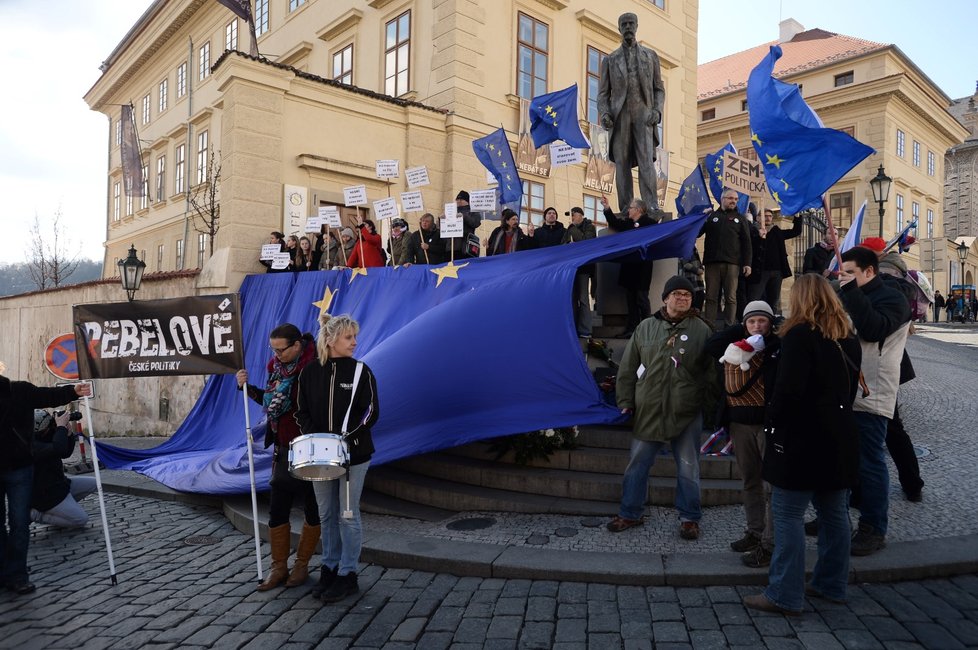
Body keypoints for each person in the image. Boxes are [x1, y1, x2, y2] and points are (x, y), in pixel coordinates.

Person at [743, 274, 861, 615]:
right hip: (839, 436)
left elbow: (788, 392)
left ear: (801, 299)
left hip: (802, 440)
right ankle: (831, 583)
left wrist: (772, 428)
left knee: (789, 514)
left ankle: (784, 593)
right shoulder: (847, 336)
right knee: (834, 514)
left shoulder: (799, 335)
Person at [607, 276, 713, 541]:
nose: (682, 298)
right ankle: (630, 512)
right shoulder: (645, 328)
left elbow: (712, 373)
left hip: (686, 410)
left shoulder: (702, 330)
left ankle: (690, 518)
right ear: (665, 298)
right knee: (637, 464)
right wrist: (625, 401)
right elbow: (629, 367)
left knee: (689, 468)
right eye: (676, 294)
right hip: (650, 408)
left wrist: (710, 409)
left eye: (687, 295)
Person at [296, 313, 379, 603]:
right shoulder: (309, 372)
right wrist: (316, 439)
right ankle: (329, 568)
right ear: (330, 340)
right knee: (327, 514)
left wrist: (347, 439)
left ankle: (348, 574)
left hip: (354, 457)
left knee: (347, 514)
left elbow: (370, 412)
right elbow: (301, 411)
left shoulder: (361, 372)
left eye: (355, 336)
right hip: (319, 457)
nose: (355, 342)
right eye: (348, 337)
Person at [838, 246, 911, 556]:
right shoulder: (851, 293)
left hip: (872, 391)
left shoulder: (894, 298)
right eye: (843, 273)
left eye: (850, 272)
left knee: (870, 462)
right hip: (842, 389)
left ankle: (873, 527)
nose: (845, 279)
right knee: (840, 459)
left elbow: (872, 329)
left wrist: (850, 294)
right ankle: (836, 515)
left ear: (869, 272)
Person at [236, 324, 320, 592]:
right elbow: (270, 402)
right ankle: (279, 567)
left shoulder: (314, 368)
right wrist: (247, 387)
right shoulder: (278, 370)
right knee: (277, 508)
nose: (276, 355)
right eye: (273, 349)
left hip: (310, 448)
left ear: (297, 346)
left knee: (313, 508)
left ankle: (302, 564)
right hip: (283, 448)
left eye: (280, 350)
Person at [0, 373, 91, 595]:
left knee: (19, 523)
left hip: (20, 469)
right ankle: (4, 571)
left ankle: (18, 575)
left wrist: (73, 391)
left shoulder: (17, 390)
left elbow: (46, 395)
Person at [705, 300, 780, 568]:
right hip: (739, 424)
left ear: (771, 323)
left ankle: (770, 543)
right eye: (752, 321)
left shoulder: (775, 347)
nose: (757, 326)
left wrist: (770, 332)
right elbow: (711, 346)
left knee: (771, 485)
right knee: (750, 480)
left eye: (762, 321)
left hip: (766, 425)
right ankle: (754, 532)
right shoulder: (733, 347)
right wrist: (741, 327)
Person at [597, 12, 665, 212]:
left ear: (636, 26)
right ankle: (627, 208)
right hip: (620, 116)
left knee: (646, 162)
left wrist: (657, 111)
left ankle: (651, 206)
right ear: (619, 29)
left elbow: (659, 89)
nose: (627, 27)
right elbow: (602, 94)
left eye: (631, 23)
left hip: (644, 113)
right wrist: (605, 114)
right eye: (624, 24)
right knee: (622, 164)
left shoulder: (650, 56)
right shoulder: (610, 60)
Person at [601, 195, 659, 337]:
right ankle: (632, 330)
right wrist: (607, 207)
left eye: (631, 208)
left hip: (642, 268)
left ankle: (648, 330)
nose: (628, 210)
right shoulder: (627, 223)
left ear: (638, 210)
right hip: (629, 268)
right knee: (630, 300)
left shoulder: (650, 223)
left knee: (641, 299)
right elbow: (614, 223)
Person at [30, 409, 97, 528]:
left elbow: (65, 453)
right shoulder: (33, 445)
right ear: (41, 429)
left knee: (95, 483)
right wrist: (61, 427)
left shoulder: (46, 435)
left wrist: (69, 434)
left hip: (60, 485)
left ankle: (62, 511)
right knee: (81, 519)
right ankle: (37, 515)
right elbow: (58, 448)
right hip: (46, 495)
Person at [700, 189, 753, 328]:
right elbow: (697, 233)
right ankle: (708, 327)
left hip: (732, 264)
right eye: (730, 198)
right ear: (722, 199)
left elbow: (747, 243)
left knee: (731, 297)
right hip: (712, 263)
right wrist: (701, 218)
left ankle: (729, 325)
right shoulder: (711, 216)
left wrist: (747, 264)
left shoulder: (741, 219)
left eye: (736, 199)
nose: (733, 201)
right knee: (711, 297)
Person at [747, 210, 803, 314]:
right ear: (758, 218)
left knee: (773, 301)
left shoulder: (777, 231)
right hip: (759, 271)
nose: (768, 218)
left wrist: (797, 216)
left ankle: (771, 322)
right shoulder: (752, 231)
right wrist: (758, 237)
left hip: (777, 272)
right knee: (753, 299)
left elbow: (796, 231)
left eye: (770, 216)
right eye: (765, 216)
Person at [562, 207, 597, 337]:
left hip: (584, 268)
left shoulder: (589, 227)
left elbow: (585, 241)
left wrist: (573, 228)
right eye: (571, 216)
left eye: (574, 215)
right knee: (572, 299)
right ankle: (573, 328)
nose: (572, 218)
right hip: (571, 268)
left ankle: (585, 330)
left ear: (581, 215)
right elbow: (562, 245)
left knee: (583, 298)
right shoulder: (570, 229)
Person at [448, 191, 483, 260]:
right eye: (457, 199)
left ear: (467, 201)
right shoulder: (451, 211)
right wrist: (441, 219)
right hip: (451, 247)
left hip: (465, 246)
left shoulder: (473, 211)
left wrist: (464, 216)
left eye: (461, 199)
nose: (459, 201)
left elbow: (475, 223)